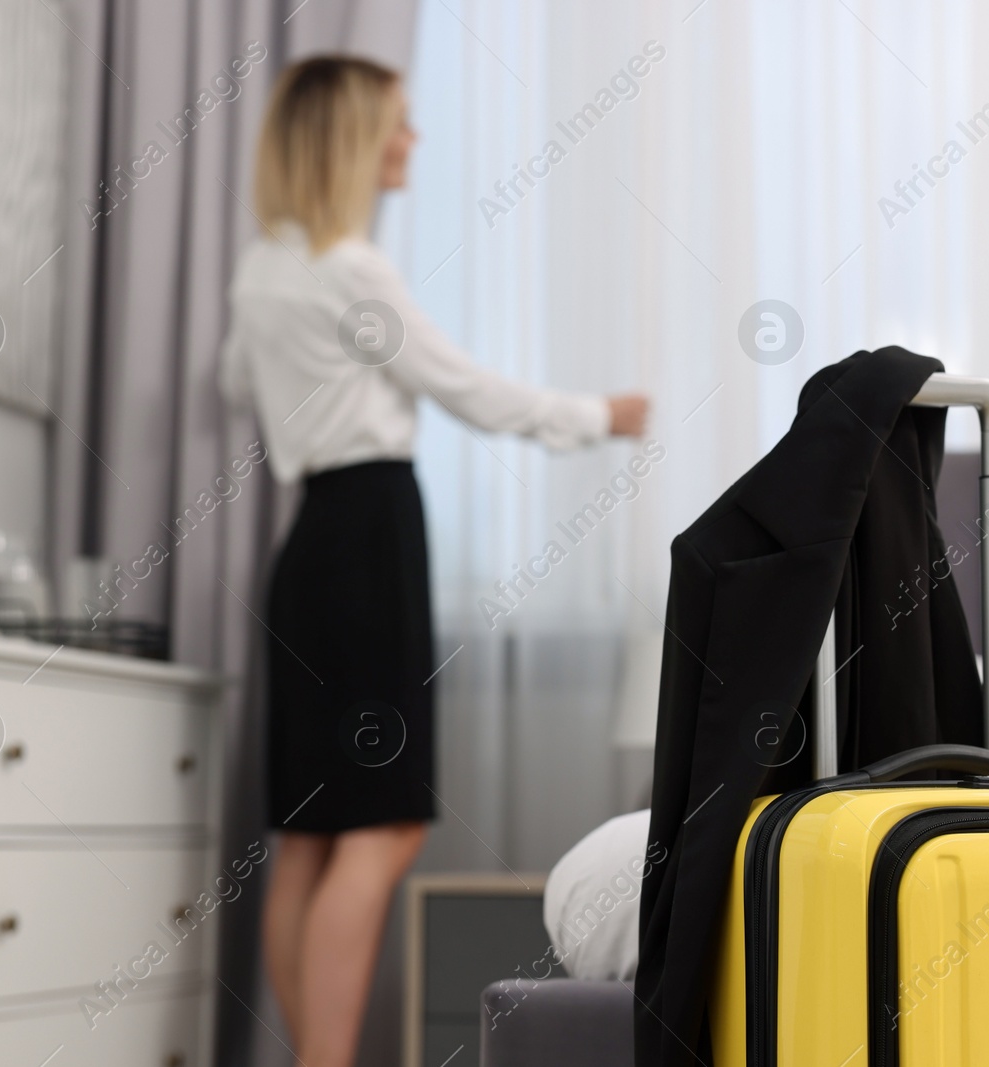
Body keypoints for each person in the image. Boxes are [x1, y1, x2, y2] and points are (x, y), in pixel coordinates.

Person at [220, 55, 649, 1067]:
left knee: (315, 828)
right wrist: (599, 416)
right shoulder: (352, 270)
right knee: (385, 823)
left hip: (311, 540)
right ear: (347, 141)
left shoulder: (261, 268)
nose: (411, 142)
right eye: (396, 126)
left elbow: (238, 382)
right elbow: (461, 386)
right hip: (367, 536)